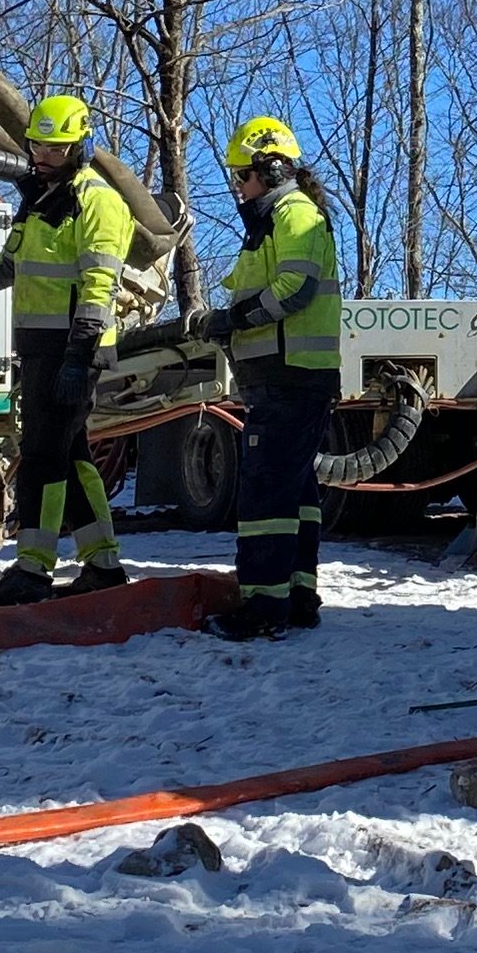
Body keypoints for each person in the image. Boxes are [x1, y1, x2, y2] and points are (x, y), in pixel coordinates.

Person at [0, 94, 133, 599]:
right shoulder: (40, 201)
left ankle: (32, 570)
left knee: (42, 457)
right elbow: (7, 268)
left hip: (73, 349)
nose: (42, 157)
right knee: (70, 455)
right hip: (43, 348)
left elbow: (100, 286)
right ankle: (102, 565)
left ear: (80, 147)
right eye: (37, 146)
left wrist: (78, 359)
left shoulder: (98, 202)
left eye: (55, 149)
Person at [199, 114, 338, 640]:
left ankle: (263, 606)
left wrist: (232, 319)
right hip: (288, 377)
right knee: (296, 491)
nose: (237, 186)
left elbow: (294, 290)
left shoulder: (295, 216)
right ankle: (298, 595)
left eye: (242, 175)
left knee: (265, 495)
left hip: (290, 377)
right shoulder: (275, 223)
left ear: (272, 168)